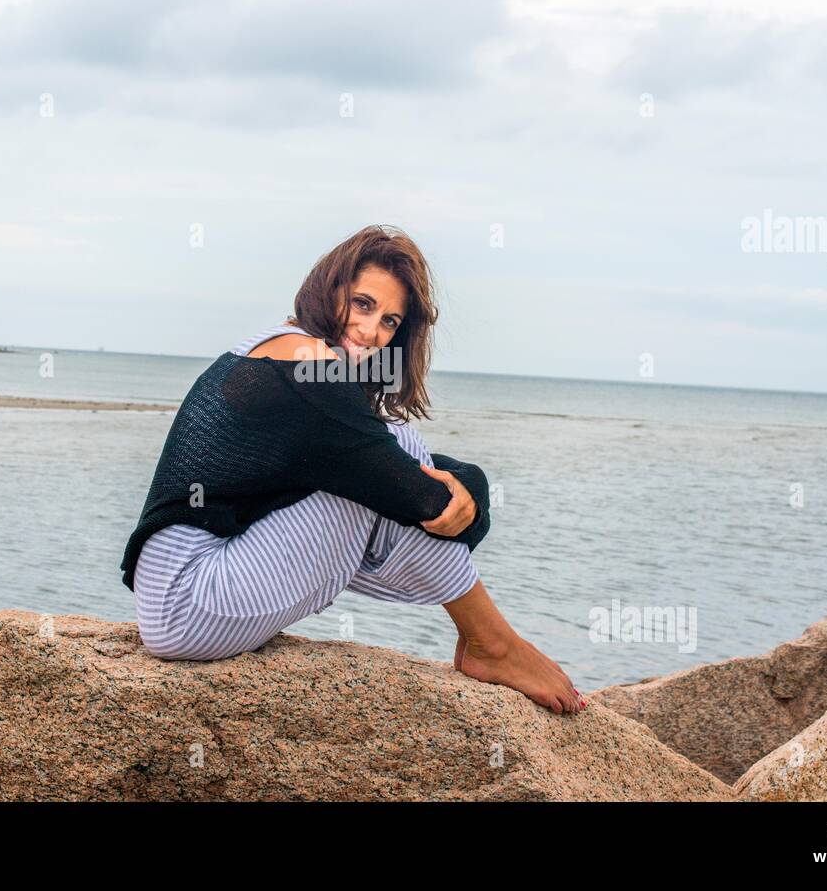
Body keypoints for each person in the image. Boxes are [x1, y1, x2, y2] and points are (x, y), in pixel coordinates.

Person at [124, 225, 585, 715]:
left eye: (389, 321)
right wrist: (467, 495)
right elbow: (413, 495)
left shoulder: (281, 348)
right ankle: (492, 644)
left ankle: (490, 643)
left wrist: (470, 485)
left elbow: (395, 477)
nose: (371, 332)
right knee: (395, 448)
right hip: (191, 600)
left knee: (386, 455)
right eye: (362, 304)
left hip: (178, 596)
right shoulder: (309, 363)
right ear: (329, 286)